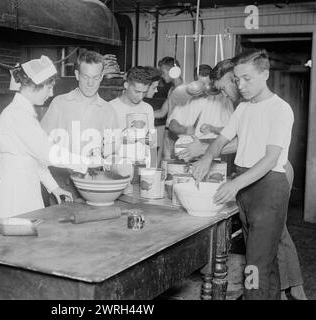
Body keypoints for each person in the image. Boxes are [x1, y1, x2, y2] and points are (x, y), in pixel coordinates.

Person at [179, 58, 307, 300]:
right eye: (238, 80)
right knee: (260, 258)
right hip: (246, 185)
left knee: (255, 264)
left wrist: (235, 184)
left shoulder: (280, 109)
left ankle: (256, 296)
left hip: (269, 184)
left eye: (247, 79)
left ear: (265, 74)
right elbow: (221, 140)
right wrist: (207, 156)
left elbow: (270, 159)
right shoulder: (244, 108)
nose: (241, 85)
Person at [0, 56, 98, 221]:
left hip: (25, 188)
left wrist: (54, 188)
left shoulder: (24, 113)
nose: (51, 93)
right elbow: (48, 154)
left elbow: (34, 160)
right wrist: (86, 162)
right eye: (49, 87)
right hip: (14, 193)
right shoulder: (17, 115)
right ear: (34, 85)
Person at [40, 50, 119, 203]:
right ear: (77, 75)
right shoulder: (59, 103)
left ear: (101, 77)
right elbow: (42, 144)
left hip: (92, 180)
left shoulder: (108, 110)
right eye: (85, 77)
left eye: (96, 77)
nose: (90, 83)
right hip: (62, 179)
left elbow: (111, 150)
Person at [109, 67, 158, 167]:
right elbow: (104, 147)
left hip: (142, 166)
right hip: (118, 167)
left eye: (144, 92)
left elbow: (153, 144)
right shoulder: (110, 108)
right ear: (126, 85)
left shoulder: (147, 108)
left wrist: (153, 169)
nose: (140, 97)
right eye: (137, 91)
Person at [154, 57, 184, 164]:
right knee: (166, 163)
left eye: (163, 72)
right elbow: (162, 112)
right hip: (168, 132)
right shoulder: (171, 89)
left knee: (177, 165)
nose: (162, 75)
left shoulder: (185, 90)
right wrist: (142, 113)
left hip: (179, 133)